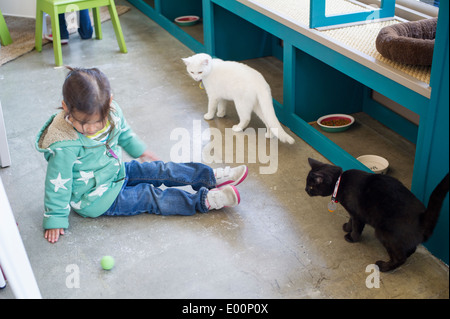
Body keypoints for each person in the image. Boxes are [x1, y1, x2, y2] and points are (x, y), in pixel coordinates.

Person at [36, 67, 248, 243]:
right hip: (97, 199)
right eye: (84, 123)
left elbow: (124, 133)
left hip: (118, 171)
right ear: (66, 108)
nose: (92, 129)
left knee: (160, 169)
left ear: (110, 102)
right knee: (148, 195)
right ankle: (204, 201)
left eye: (98, 123)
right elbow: (57, 184)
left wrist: (141, 151)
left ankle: (209, 177)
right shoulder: (63, 145)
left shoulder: (111, 111)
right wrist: (55, 219)